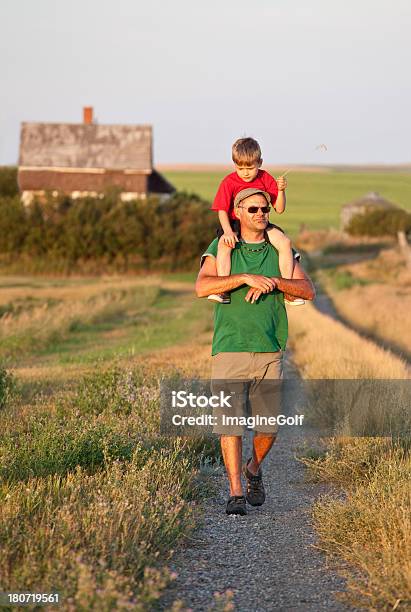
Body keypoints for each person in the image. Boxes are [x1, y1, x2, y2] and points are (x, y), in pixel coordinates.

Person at [195, 187, 315, 516]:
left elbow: (307, 290)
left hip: (269, 348)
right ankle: (235, 492)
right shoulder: (221, 247)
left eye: (265, 209)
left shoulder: (281, 250)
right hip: (229, 346)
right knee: (230, 424)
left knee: (270, 426)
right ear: (237, 212)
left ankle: (253, 468)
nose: (261, 214)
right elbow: (203, 286)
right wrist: (245, 277)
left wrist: (274, 282)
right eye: (253, 210)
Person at [208, 137, 304, 306]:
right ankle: (223, 289)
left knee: (285, 242)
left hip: (261, 221)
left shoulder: (265, 178)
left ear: (260, 162)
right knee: (223, 245)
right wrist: (228, 231)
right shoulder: (229, 182)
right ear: (234, 165)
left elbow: (279, 209)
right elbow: (222, 210)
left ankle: (288, 289)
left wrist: (281, 191)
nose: (245, 172)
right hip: (233, 223)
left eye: (250, 167)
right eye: (240, 168)